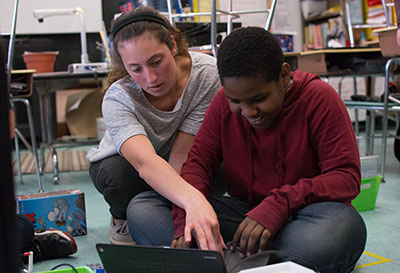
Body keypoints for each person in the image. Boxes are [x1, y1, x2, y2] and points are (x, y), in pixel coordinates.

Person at [127, 27, 367, 273]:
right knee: (143, 208)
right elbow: (198, 165)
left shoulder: (319, 98)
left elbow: (346, 178)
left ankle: (222, 261)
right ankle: (263, 264)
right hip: (245, 217)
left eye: (259, 99)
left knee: (344, 229)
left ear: (284, 75)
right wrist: (185, 221)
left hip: (303, 217)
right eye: (236, 101)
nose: (249, 112)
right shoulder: (221, 102)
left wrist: (280, 204)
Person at [86, 6, 222, 246]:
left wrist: (187, 207)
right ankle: (120, 218)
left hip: (180, 156)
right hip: (128, 165)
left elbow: (182, 153)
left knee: (221, 168)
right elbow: (144, 163)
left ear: (172, 44)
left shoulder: (207, 74)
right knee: (119, 178)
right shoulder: (118, 97)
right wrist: (192, 201)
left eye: (156, 61)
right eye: (136, 69)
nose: (151, 79)